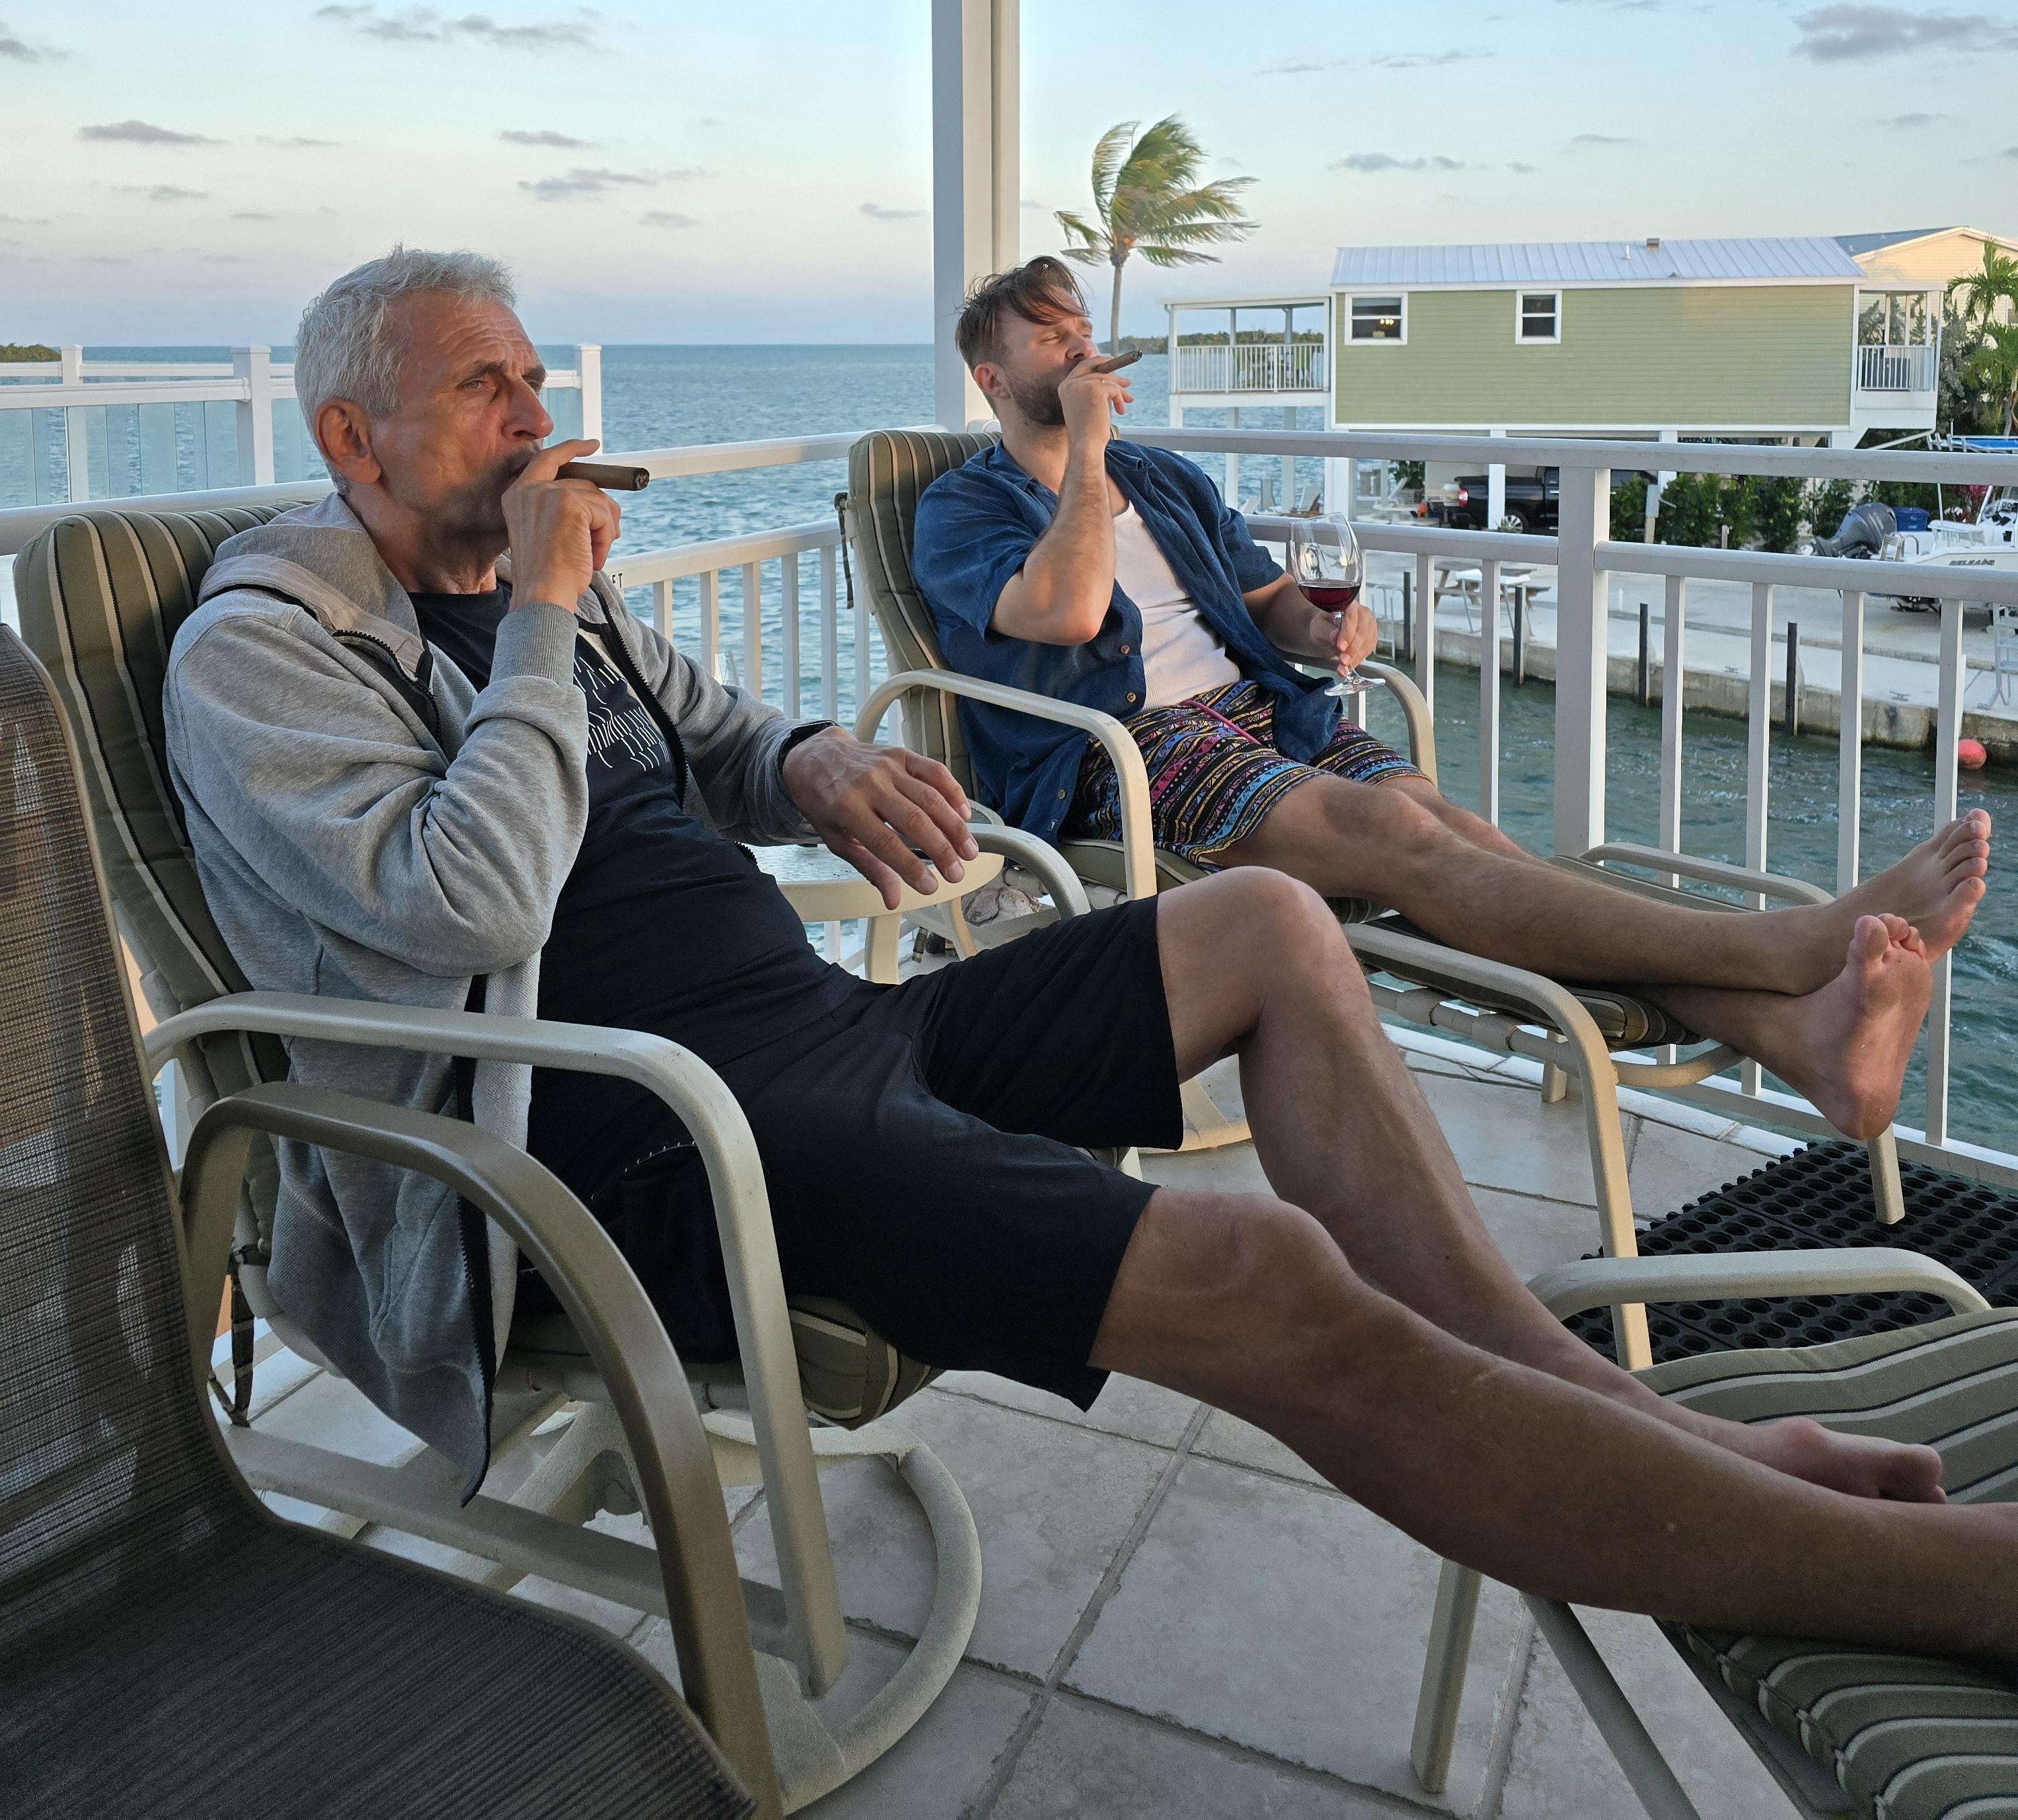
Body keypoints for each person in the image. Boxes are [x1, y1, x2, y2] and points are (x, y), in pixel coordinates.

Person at [164, 249, 2018, 1675]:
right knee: (1260, 1272)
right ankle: (1938, 1585)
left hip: (815, 1031)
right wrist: (551, 612)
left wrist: (805, 761)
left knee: (1271, 920)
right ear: (351, 440)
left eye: (528, 374)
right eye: (482, 386)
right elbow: (467, 904)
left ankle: (1609, 1410)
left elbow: (711, 736)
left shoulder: (528, 604)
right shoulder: (265, 649)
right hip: (637, 1141)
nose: (531, 414)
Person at [911, 256, 1992, 1143]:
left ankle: (1803, 1046)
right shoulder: (964, 508)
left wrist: (1324, 630)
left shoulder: (1164, 479)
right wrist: (1088, 449)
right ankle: (1786, 948)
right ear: (992, 379)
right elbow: (1066, 612)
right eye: (1051, 339)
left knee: (1460, 838)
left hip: (1266, 713)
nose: (1084, 350)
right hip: (1124, 752)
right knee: (1400, 841)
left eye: (1083, 329)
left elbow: (1270, 601)